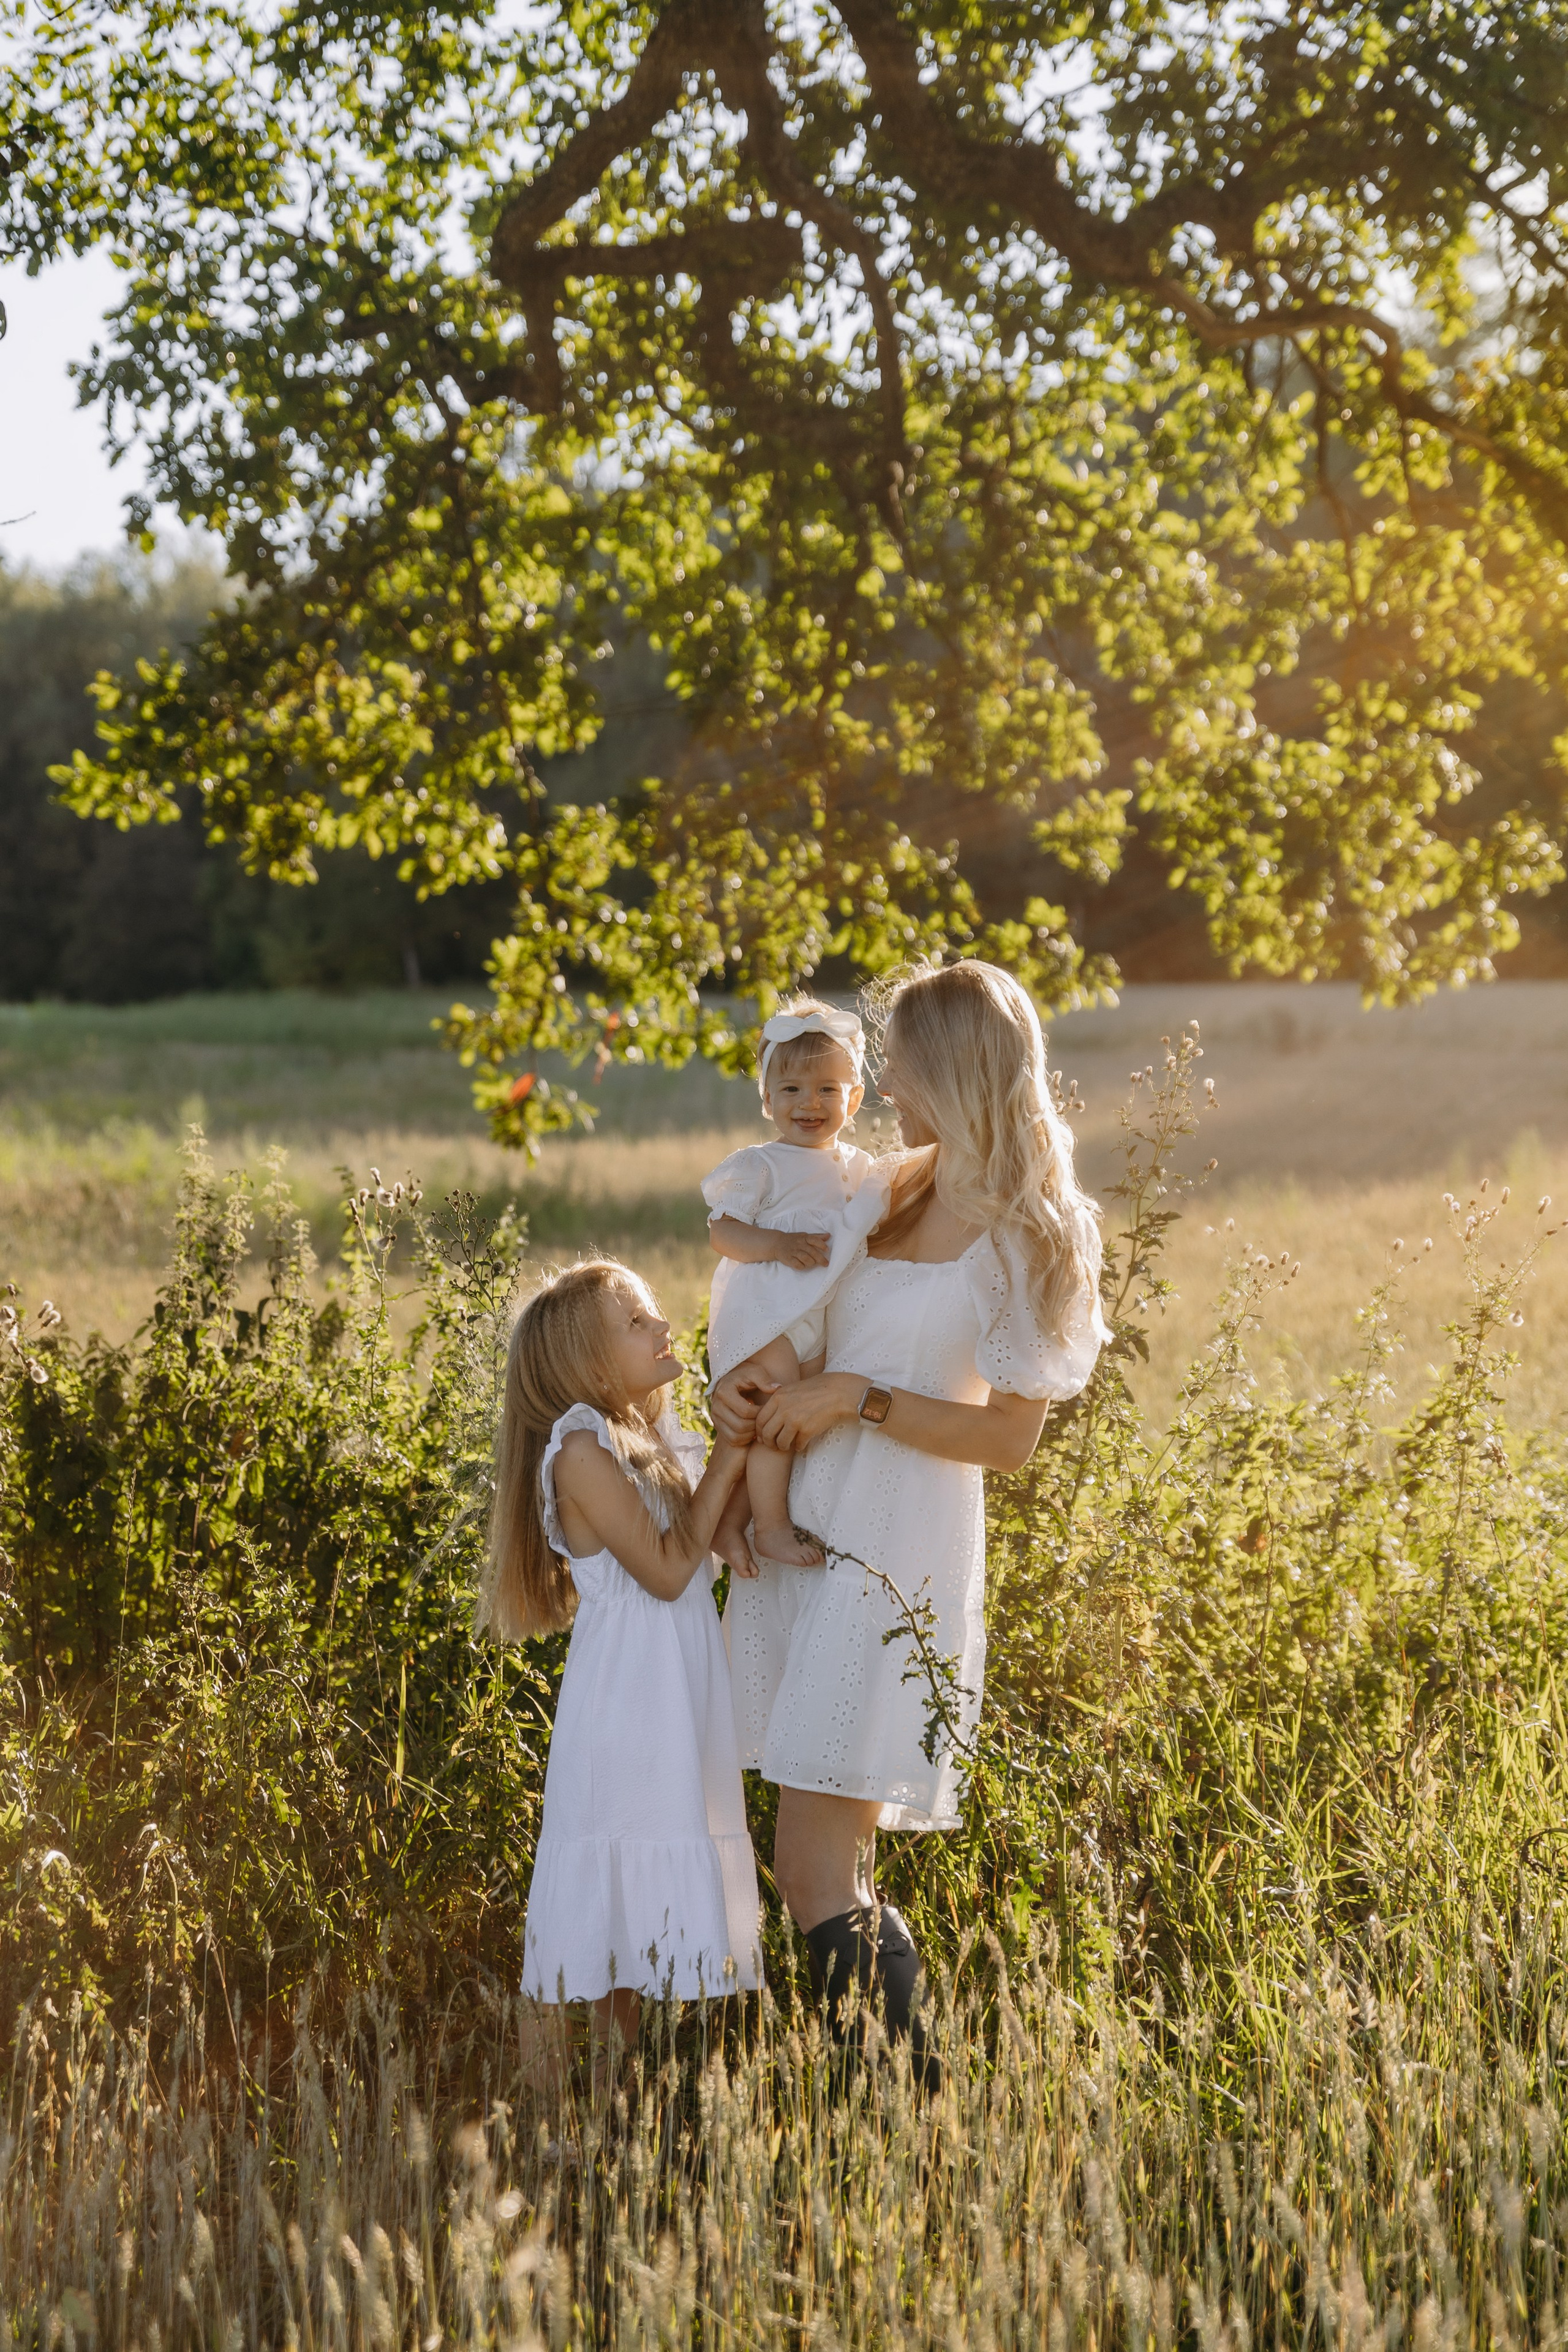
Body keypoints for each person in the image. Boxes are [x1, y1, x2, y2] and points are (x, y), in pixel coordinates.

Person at [716, 960, 1109, 2073]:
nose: (877, 1076)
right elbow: (809, 1324)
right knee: (830, 1862)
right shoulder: (886, 1186)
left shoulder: (1033, 1229)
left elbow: (1009, 1441)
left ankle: (906, 2100)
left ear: (951, 1064)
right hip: (804, 1522)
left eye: (898, 1055)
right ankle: (900, 2119)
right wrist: (751, 1383)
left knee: (808, 1870)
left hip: (896, 1548)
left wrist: (856, 1400)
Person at [476, 1258, 764, 2075]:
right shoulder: (580, 1449)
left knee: (629, 1941)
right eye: (637, 1322)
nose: (663, 1328)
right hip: (630, 1710)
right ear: (588, 1360)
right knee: (593, 1936)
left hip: (673, 1700)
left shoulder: (655, 1439)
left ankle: (610, 2119)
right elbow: (671, 1568)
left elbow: (707, 1540)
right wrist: (735, 1451)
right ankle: (551, 2122)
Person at [702, 998, 892, 1572]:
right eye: (791, 1090)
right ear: (766, 1098)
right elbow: (723, 1233)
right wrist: (777, 1246)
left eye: (828, 1090)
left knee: (781, 1424)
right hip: (766, 1312)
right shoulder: (761, 1165)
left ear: (854, 1099)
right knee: (779, 1404)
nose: (810, 1104)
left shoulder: (860, 1167)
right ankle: (772, 1526)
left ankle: (729, 1522)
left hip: (817, 1318)